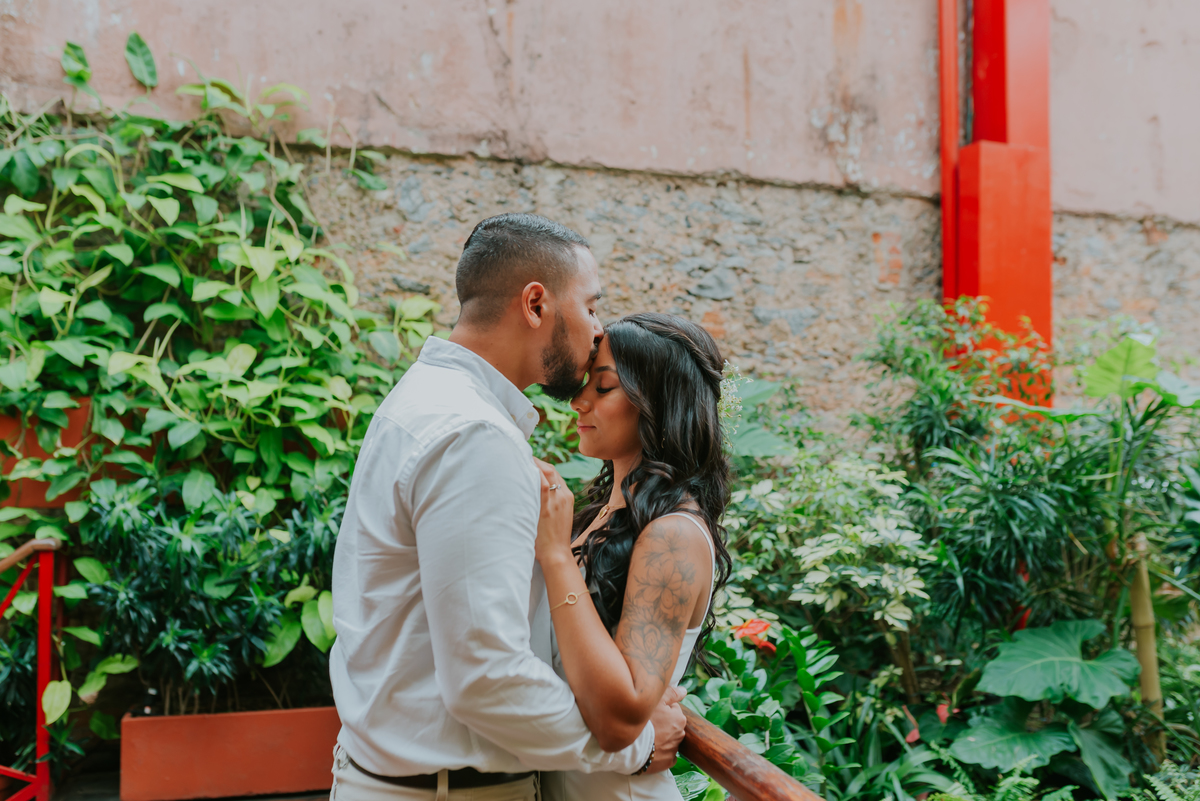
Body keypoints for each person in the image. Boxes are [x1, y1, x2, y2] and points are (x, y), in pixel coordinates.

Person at [328, 214, 686, 801]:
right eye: (591, 306)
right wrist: (632, 745)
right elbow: (485, 677)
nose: (598, 331)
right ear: (536, 304)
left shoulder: (421, 400)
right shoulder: (473, 435)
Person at [534, 313, 733, 801]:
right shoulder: (597, 514)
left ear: (657, 406)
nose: (579, 402)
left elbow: (617, 719)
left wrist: (557, 557)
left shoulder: (674, 537)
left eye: (603, 389)